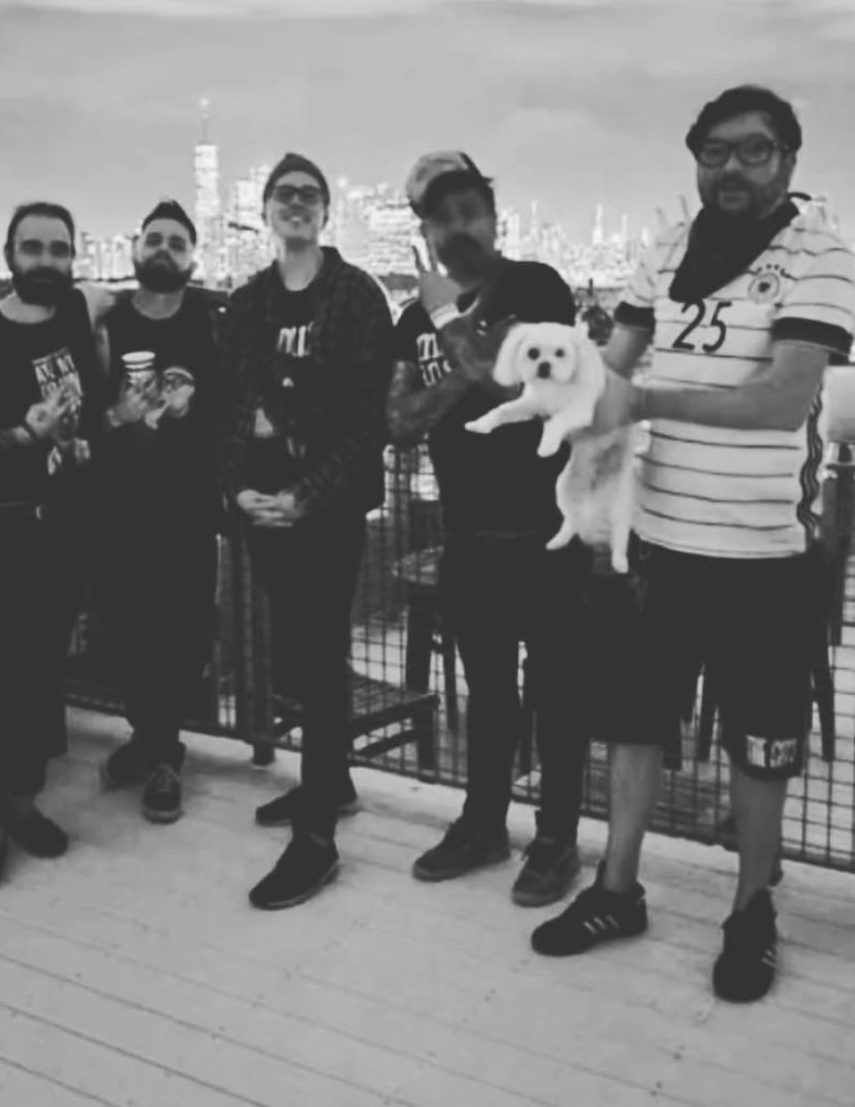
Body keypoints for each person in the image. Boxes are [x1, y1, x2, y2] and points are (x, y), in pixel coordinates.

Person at [531, 85, 855, 1003]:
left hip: (766, 554)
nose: (733, 167)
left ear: (787, 160)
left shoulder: (822, 255)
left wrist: (643, 400)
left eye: (754, 149)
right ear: (696, 159)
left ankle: (751, 912)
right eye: (715, 151)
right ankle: (616, 889)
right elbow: (615, 363)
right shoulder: (666, 248)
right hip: (655, 544)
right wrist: (551, 389)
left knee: (762, 744)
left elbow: (784, 399)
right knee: (635, 722)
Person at [386, 150, 590, 907]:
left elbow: (523, 381)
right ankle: (483, 824)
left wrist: (457, 350)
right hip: (467, 536)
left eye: (470, 210)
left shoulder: (537, 286)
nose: (458, 227)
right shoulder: (414, 319)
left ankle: (557, 839)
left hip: (549, 532)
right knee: (489, 695)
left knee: (558, 695)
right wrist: (463, 360)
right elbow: (398, 422)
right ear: (425, 231)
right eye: (442, 217)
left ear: (495, 217)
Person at [218, 152, 393, 910]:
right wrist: (240, 490)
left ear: (326, 211)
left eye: (309, 194)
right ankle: (334, 780)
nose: (296, 203)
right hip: (262, 506)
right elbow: (230, 405)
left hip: (326, 511)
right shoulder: (248, 302)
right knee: (294, 653)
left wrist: (302, 487)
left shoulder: (356, 297)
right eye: (283, 194)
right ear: (265, 210)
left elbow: (364, 420)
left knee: (321, 661)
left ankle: (317, 835)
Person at [0, 201, 105, 893]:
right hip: (3, 529)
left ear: (73, 257)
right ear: (9, 254)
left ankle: (21, 801)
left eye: (58, 249)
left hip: (65, 529)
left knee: (40, 672)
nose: (46, 260)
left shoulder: (77, 312)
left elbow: (130, 297)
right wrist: (24, 435)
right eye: (32, 248)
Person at [94, 200, 220, 823]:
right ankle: (147, 735)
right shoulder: (107, 321)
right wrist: (117, 414)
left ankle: (164, 748)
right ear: (135, 249)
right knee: (125, 629)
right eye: (155, 239)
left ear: (192, 257)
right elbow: (85, 414)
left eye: (177, 241)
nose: (164, 249)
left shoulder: (212, 318)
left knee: (184, 630)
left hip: (189, 505)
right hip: (118, 504)